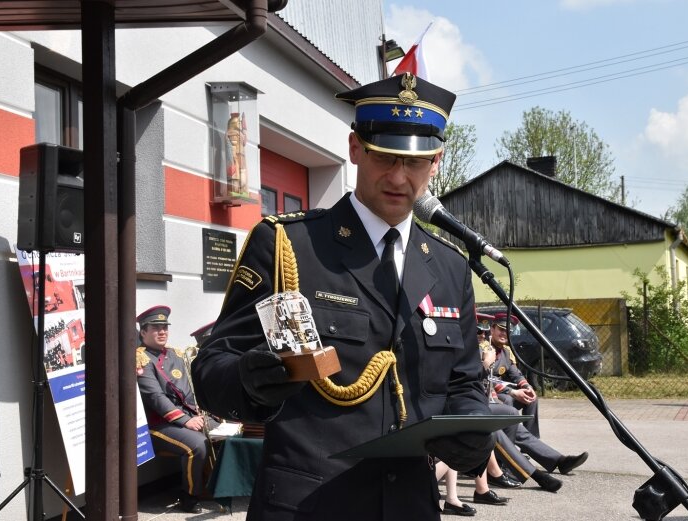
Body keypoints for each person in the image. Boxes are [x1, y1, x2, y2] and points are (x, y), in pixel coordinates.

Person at [191, 72, 495, 521]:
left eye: (413, 163)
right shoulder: (288, 246)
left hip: (411, 507)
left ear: (436, 163)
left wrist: (471, 435)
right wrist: (248, 380)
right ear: (355, 149)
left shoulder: (449, 267)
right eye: (383, 156)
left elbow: (464, 382)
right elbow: (212, 369)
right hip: (308, 507)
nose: (397, 176)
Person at [135, 305, 219, 514]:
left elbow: (189, 388)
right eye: (156, 327)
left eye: (165, 327)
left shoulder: (176, 355)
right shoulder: (141, 359)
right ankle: (190, 496)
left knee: (223, 428)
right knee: (197, 444)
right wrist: (185, 420)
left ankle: (217, 486)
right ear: (143, 331)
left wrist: (202, 412)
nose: (162, 331)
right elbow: (155, 397)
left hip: (185, 418)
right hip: (158, 425)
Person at [486, 312, 588, 475]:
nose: (504, 333)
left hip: (497, 395)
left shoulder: (505, 352)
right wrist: (512, 392)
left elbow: (515, 374)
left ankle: (532, 448)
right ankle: (518, 456)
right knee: (507, 401)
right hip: (485, 397)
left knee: (531, 399)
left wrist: (526, 387)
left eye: (508, 331)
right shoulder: (483, 348)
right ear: (491, 329)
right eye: (501, 329)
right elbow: (484, 379)